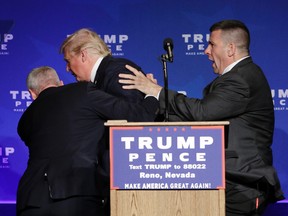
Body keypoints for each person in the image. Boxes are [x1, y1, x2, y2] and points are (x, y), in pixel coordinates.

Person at [118, 20, 285, 215]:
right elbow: (203, 121)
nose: (206, 50)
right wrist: (151, 102)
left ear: (230, 49)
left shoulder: (241, 78)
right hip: (230, 182)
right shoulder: (240, 76)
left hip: (242, 184)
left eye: (212, 44)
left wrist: (157, 91)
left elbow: (202, 113)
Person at [17, 66, 159, 216]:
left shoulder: (24, 121)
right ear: (61, 83)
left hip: (30, 200)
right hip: (77, 194)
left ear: (32, 94)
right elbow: (137, 116)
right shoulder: (82, 91)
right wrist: (152, 94)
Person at [59, 28, 149, 212]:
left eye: (68, 61)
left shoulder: (118, 71)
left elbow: (133, 120)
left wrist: (152, 98)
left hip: (123, 180)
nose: (67, 68)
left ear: (83, 55)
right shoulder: (103, 76)